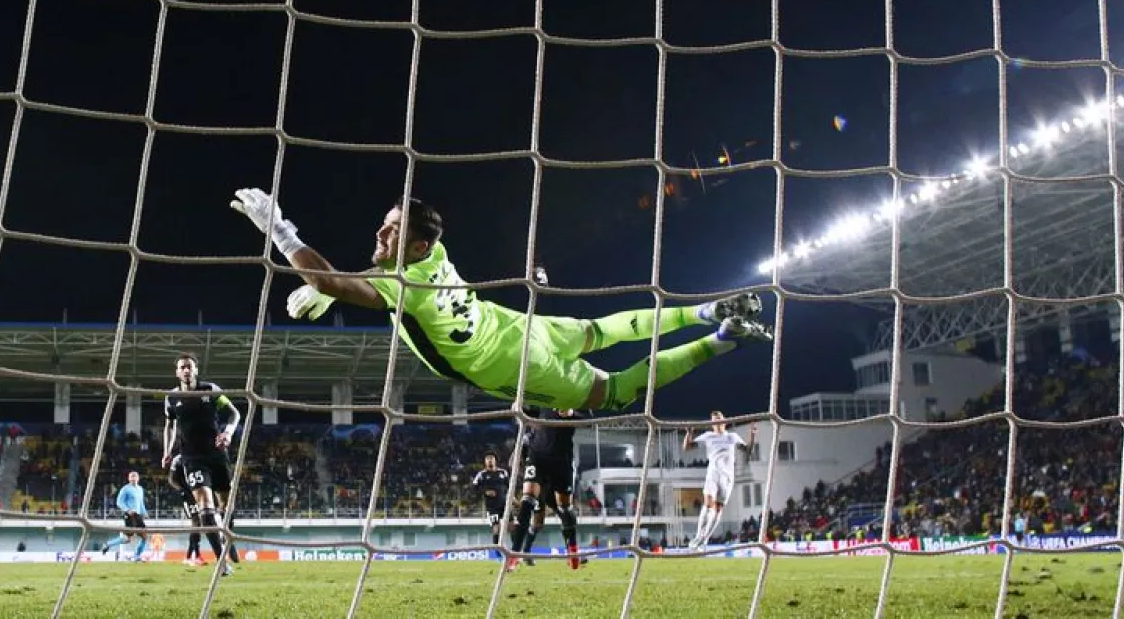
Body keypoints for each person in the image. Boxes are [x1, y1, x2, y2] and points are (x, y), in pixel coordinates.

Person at [230, 192, 771, 412]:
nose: (381, 231)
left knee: (611, 393)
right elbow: (366, 275)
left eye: (392, 230)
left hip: (509, 363)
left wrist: (282, 233)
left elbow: (339, 284)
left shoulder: (403, 287)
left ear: (417, 245)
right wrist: (335, 285)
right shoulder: (434, 254)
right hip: (515, 325)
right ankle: (703, 310)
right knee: (602, 330)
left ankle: (721, 338)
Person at [160, 354, 241, 576]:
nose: (186, 370)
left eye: (189, 367)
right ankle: (221, 562)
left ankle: (228, 539)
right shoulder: (171, 398)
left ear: (196, 370)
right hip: (191, 458)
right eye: (182, 367)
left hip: (217, 455)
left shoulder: (210, 389)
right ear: (177, 372)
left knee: (226, 503)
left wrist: (227, 432)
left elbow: (234, 413)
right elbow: (169, 426)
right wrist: (167, 451)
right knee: (205, 505)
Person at [508, 408, 583, 571]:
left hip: (561, 462)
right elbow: (525, 411)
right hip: (538, 460)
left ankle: (573, 552)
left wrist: (571, 414)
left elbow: (588, 418)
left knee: (565, 510)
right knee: (528, 503)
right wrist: (517, 406)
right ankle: (515, 555)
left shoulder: (572, 405)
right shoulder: (539, 415)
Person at [682, 411, 754, 549]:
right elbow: (687, 447)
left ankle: (705, 538)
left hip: (727, 477)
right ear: (712, 424)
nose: (717, 422)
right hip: (713, 473)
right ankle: (698, 536)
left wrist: (752, 435)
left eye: (719, 419)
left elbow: (747, 451)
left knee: (718, 509)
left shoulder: (732, 437)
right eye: (714, 420)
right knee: (708, 504)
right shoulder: (708, 436)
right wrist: (689, 433)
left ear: (724, 422)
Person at [101, 471, 148, 561]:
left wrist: (144, 512)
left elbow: (141, 502)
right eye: (132, 476)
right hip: (129, 515)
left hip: (138, 515)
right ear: (129, 478)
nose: (133, 478)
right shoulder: (125, 489)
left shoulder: (140, 489)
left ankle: (137, 556)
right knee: (127, 539)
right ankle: (108, 544)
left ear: (138, 478)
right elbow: (119, 502)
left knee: (144, 536)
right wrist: (127, 510)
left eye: (135, 476)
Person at [472, 452, 510, 549]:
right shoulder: (481, 474)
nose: (489, 460)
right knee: (496, 528)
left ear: (495, 460)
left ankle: (515, 551)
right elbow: (474, 487)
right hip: (492, 506)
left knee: (512, 526)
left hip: (505, 504)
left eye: (491, 458)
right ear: (485, 461)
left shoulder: (503, 472)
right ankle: (498, 552)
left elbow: (510, 487)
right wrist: (485, 492)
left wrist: (513, 500)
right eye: (487, 458)